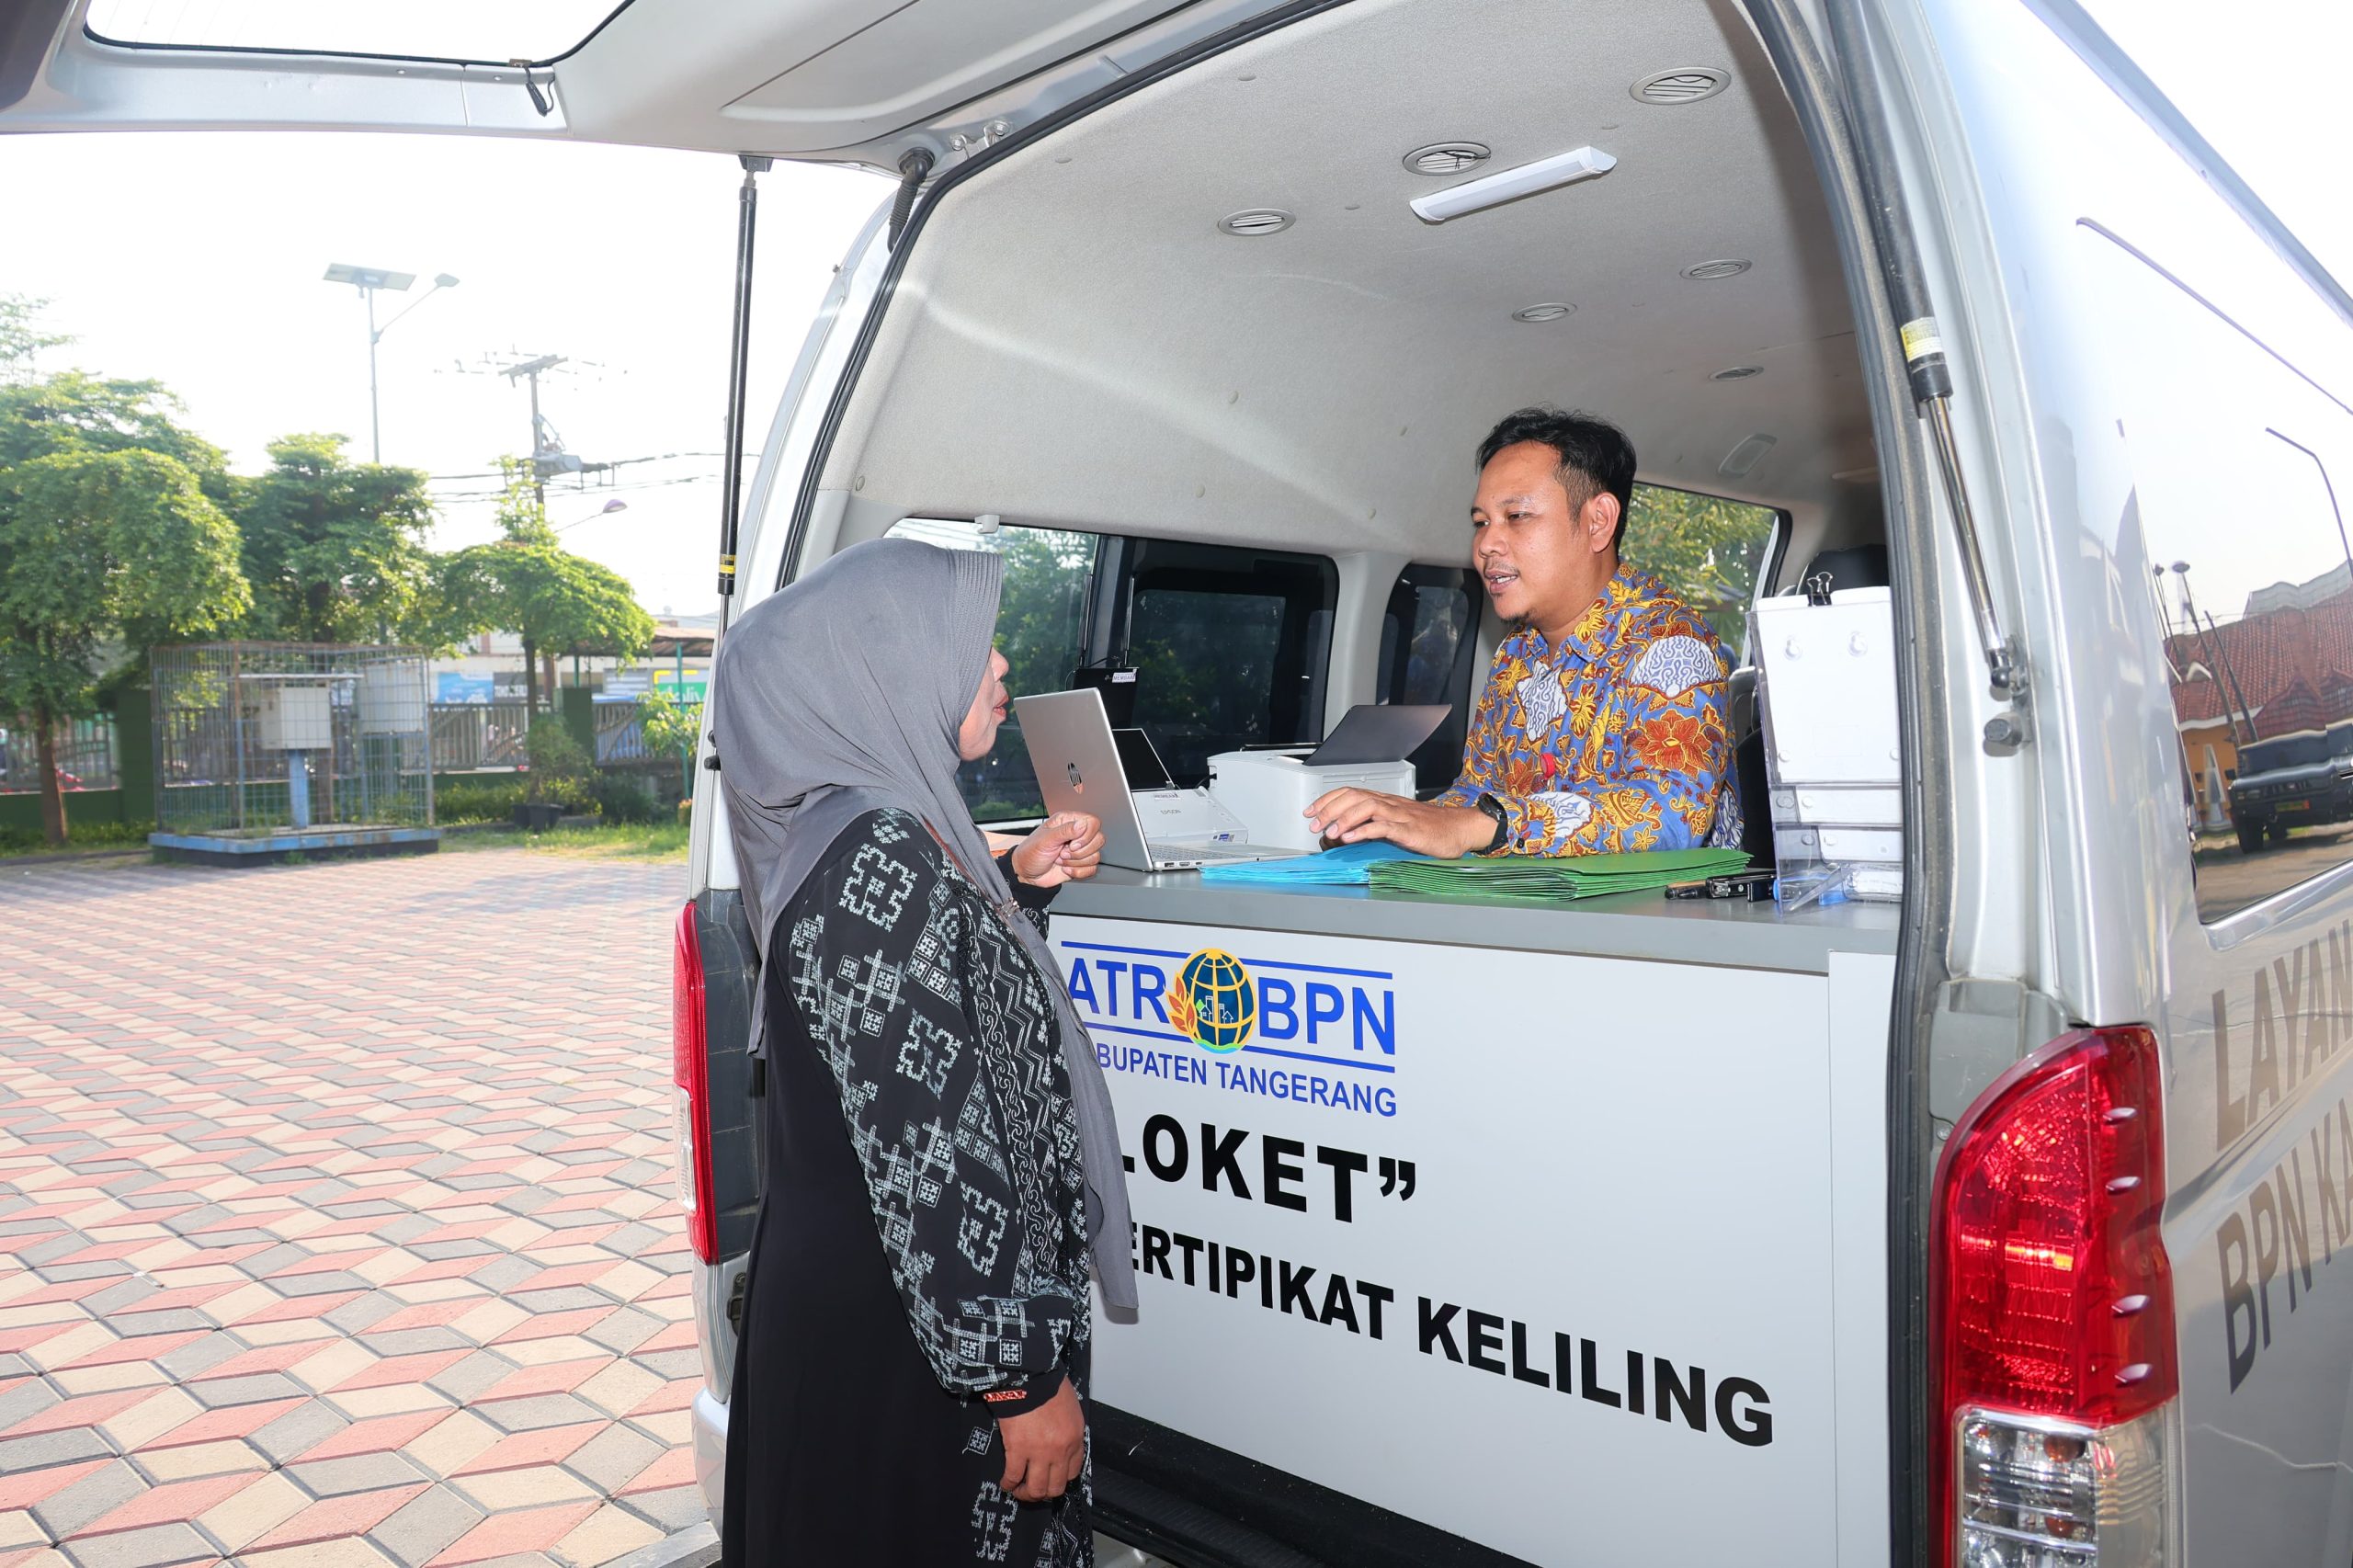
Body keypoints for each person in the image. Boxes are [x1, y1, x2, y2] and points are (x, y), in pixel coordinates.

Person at [709, 537, 1136, 1567]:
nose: (998, 664)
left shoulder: (867, 829)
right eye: (972, 644)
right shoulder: (877, 861)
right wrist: (1019, 1381)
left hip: (886, 1315)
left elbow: (935, 1013)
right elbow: (931, 1152)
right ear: (886, 669)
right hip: (910, 1345)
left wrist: (1016, 884)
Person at [1307, 407, 1740, 857]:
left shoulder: (1672, 645)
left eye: (1516, 516)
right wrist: (1394, 823)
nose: (1485, 544)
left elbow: (1672, 814)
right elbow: (1476, 795)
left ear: (1597, 522)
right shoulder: (1517, 653)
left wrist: (1492, 825)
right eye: (1481, 523)